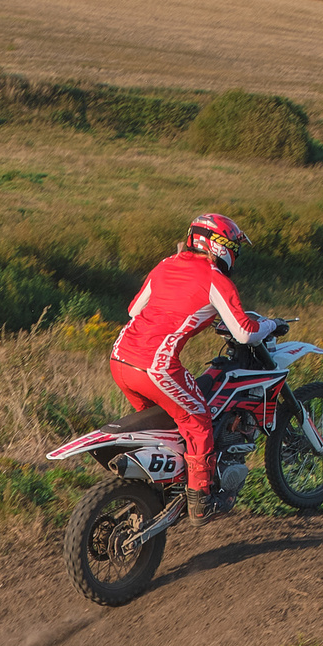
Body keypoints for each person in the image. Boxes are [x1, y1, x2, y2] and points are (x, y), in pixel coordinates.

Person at [108, 213, 271, 525]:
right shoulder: (215, 279)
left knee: (165, 427)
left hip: (120, 358)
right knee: (198, 420)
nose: (235, 253)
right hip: (157, 367)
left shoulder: (166, 264)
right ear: (219, 246)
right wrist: (271, 324)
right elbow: (245, 332)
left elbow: (134, 309)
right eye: (234, 246)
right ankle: (200, 501)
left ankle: (159, 488)